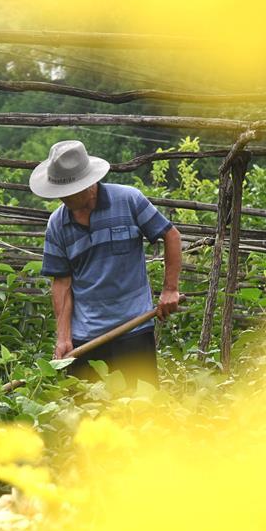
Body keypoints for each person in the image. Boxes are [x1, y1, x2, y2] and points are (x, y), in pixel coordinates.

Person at [29, 140, 181, 387]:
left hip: (134, 328)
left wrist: (170, 289)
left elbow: (171, 235)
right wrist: (64, 337)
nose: (63, 199)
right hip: (85, 338)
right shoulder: (57, 224)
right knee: (87, 418)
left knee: (141, 411)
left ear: (89, 185)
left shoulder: (129, 200)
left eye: (69, 192)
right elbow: (62, 283)